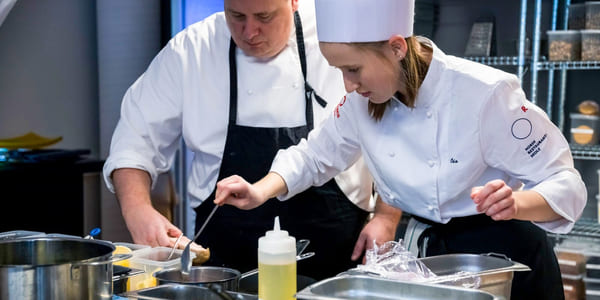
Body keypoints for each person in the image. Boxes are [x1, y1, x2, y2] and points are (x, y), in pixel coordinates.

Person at [213, 0, 587, 298]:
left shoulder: (485, 94)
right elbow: (314, 155)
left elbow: (566, 182)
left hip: (502, 263)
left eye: (354, 70)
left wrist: (517, 203)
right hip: (431, 264)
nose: (348, 85)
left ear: (395, 47)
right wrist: (259, 190)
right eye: (339, 70)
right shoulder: (362, 103)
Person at [102, 0, 402, 280]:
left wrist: (387, 217)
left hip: (336, 256)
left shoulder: (338, 39)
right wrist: (137, 211)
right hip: (222, 264)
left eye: (264, 17)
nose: (250, 32)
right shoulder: (191, 50)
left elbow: (392, 125)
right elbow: (134, 140)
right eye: (237, 16)